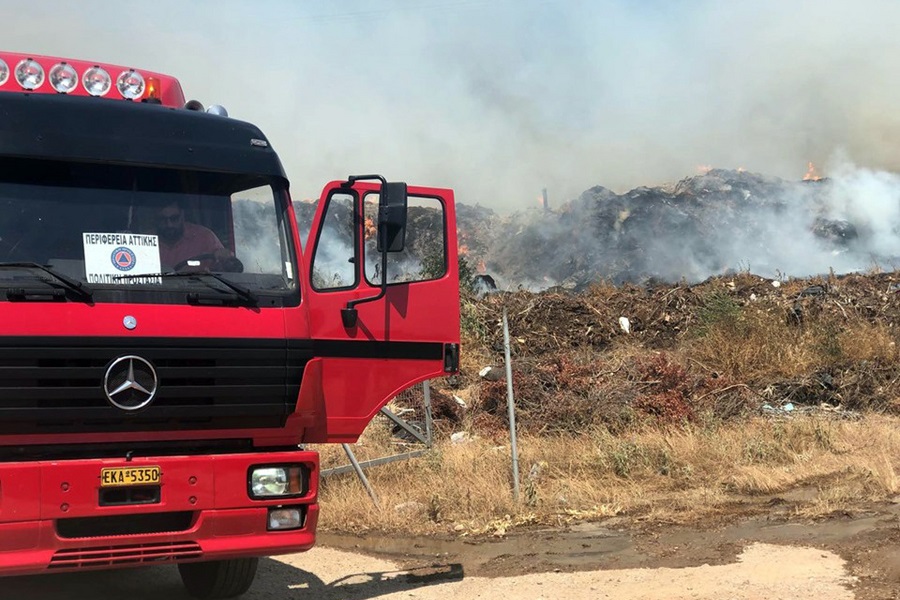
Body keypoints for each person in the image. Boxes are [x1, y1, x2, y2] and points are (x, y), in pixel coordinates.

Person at [153, 199, 237, 271]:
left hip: (199, 289)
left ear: (182, 215)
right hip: (153, 290)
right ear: (155, 219)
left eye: (174, 218)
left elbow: (225, 262)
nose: (169, 225)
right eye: (162, 219)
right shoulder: (144, 240)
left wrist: (224, 256)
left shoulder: (204, 237)